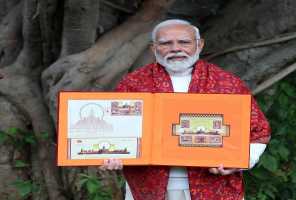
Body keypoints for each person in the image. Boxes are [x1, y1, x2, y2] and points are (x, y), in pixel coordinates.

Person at [100, 19, 271, 200]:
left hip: (213, 185)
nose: (175, 48)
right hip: (147, 187)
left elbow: (259, 131)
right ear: (153, 48)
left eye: (184, 42)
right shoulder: (134, 83)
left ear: (200, 45)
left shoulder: (226, 82)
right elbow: (117, 130)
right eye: (166, 43)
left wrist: (238, 161)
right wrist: (113, 155)